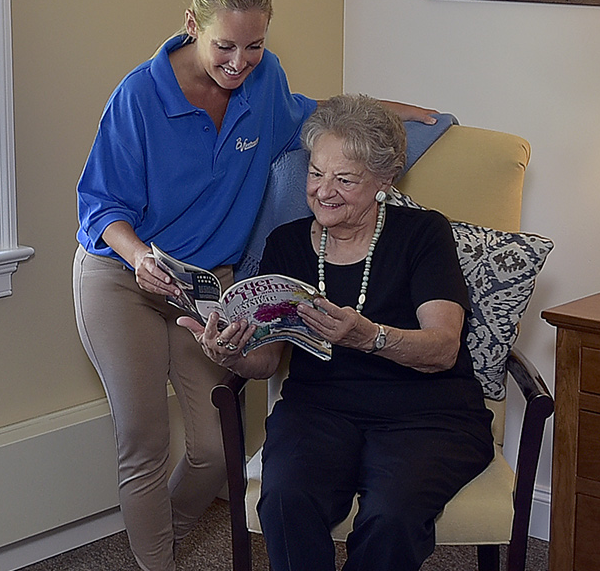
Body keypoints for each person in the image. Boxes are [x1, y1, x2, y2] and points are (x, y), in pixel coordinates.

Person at [72, 0, 436, 569]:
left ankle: (172, 536)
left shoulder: (266, 82)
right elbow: (101, 204)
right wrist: (140, 259)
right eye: (225, 47)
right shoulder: (139, 96)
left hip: (206, 284)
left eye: (254, 46)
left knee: (216, 448)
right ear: (192, 26)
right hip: (123, 274)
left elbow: (318, 117)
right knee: (145, 441)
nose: (240, 62)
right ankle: (156, 562)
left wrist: (401, 116)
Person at [181, 94, 491, 571]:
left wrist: (369, 337)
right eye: (315, 173)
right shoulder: (285, 245)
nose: (324, 191)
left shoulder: (423, 233)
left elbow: (444, 347)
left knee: (392, 516)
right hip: (319, 409)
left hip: (426, 414)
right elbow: (265, 363)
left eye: (344, 179)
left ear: (383, 180)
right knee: (285, 499)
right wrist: (228, 352)